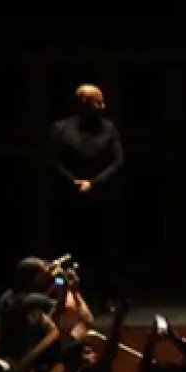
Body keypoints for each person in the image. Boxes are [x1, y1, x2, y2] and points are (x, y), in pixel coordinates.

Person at [48, 85, 125, 297]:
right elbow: (53, 162)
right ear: (83, 103)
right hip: (70, 201)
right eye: (97, 102)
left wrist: (94, 183)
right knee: (67, 252)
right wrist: (74, 182)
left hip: (102, 200)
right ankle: (63, 293)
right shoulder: (61, 129)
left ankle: (107, 295)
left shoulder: (109, 129)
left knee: (105, 251)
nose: (103, 106)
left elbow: (117, 161)